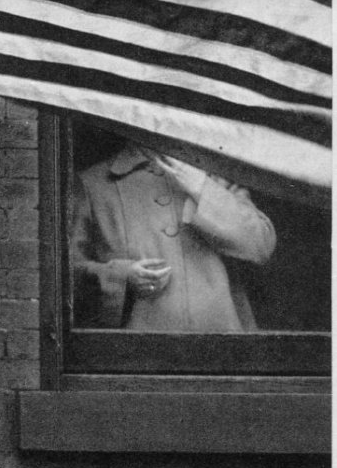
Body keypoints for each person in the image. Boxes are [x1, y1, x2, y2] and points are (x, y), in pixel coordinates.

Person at [70, 140, 275, 332]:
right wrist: (122, 276)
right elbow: (66, 275)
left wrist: (203, 188)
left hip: (223, 347)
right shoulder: (93, 183)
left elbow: (261, 244)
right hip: (137, 353)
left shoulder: (216, 174)